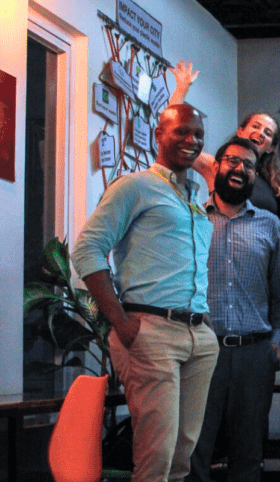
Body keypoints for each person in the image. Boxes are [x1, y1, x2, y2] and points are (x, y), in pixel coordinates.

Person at [71, 103, 219, 482]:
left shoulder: (194, 197)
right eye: (181, 131)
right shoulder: (135, 185)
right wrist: (119, 321)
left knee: (182, 455)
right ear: (159, 135)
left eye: (198, 135)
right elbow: (87, 248)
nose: (191, 140)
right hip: (149, 330)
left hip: (198, 336)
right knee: (156, 456)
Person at [186, 137, 280, 482]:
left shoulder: (269, 224)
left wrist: (277, 341)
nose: (240, 169)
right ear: (216, 167)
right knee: (194, 450)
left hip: (254, 354)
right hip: (202, 350)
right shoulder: (191, 219)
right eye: (232, 161)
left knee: (249, 454)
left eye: (248, 165)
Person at [167, 60, 280, 212]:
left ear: (270, 148)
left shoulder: (273, 182)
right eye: (255, 126)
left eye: (267, 133)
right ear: (240, 132)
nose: (260, 133)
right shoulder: (216, 165)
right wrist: (181, 90)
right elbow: (176, 140)